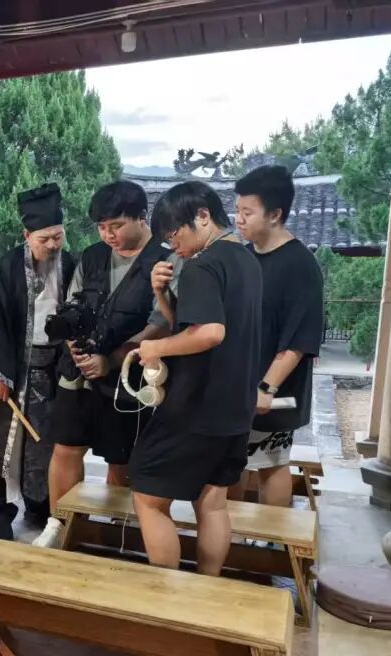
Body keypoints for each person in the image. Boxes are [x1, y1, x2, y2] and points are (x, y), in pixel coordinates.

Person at [33, 181, 179, 548]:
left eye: (116, 225)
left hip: (131, 374)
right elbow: (71, 305)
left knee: (122, 458)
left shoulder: (165, 258)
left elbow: (161, 323)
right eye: (101, 227)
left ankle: (119, 530)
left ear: (141, 217)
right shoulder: (92, 256)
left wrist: (111, 359)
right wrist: (75, 347)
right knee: (65, 447)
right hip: (78, 370)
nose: (108, 234)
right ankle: (61, 524)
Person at [128, 182, 262, 576]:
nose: (174, 247)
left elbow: (210, 333)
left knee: (148, 496)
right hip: (235, 407)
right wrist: (163, 295)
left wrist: (155, 347)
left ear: (202, 216)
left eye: (175, 235)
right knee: (212, 502)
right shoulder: (246, 260)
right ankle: (207, 588)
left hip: (195, 406)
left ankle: (169, 597)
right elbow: (193, 327)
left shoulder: (203, 265)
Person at [0, 183, 76, 539]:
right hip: (13, 371)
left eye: (58, 236)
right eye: (44, 239)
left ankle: (42, 507)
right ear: (27, 236)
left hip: (55, 371)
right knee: (3, 446)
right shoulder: (8, 268)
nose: (53, 245)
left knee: (47, 444)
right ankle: (0, 514)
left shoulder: (70, 264)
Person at [233, 166, 324, 506]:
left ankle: (275, 532)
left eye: (247, 212)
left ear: (275, 214)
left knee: (271, 464)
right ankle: (230, 532)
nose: (239, 219)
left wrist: (266, 387)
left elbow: (299, 339)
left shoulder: (301, 264)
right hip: (238, 384)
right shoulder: (242, 258)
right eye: (237, 210)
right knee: (230, 465)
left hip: (276, 387)